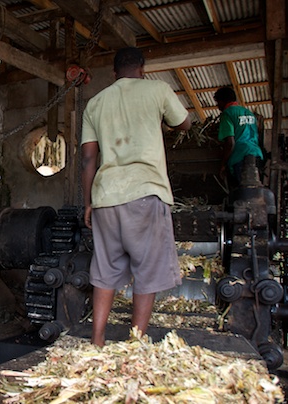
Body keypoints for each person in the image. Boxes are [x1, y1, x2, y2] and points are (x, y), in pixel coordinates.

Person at [80, 47, 192, 347]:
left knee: (104, 271)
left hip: (105, 197)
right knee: (148, 268)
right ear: (142, 68)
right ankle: (135, 341)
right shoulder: (157, 89)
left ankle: (97, 341)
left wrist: (89, 203)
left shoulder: (96, 103)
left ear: (114, 72)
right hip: (145, 191)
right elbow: (185, 123)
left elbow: (88, 159)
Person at [213, 86, 264, 187]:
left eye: (218, 102)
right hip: (257, 155)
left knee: (244, 194)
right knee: (255, 191)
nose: (218, 106)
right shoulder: (249, 113)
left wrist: (223, 164)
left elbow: (230, 143)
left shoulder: (227, 114)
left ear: (223, 101)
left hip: (240, 156)